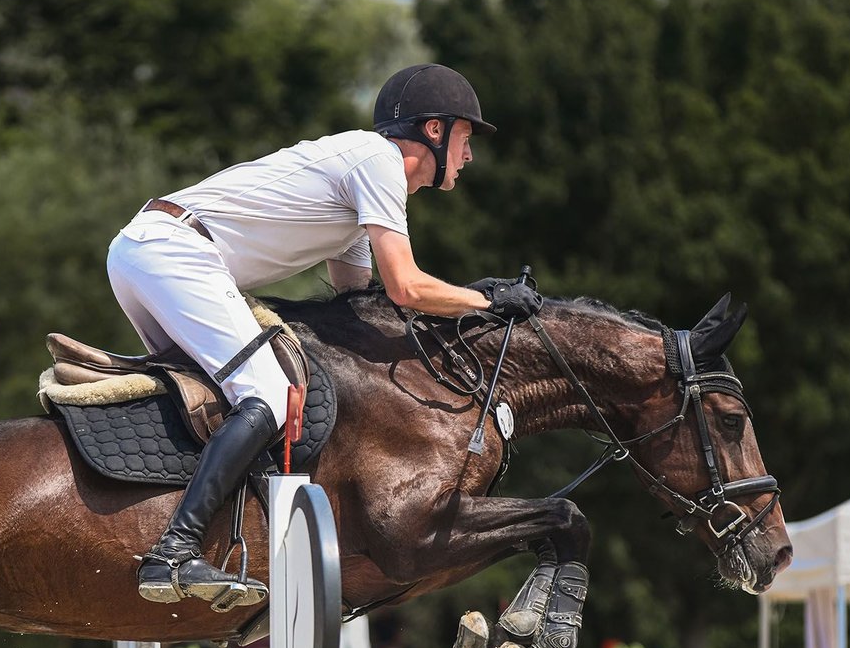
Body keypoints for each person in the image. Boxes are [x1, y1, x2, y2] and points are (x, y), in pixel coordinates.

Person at [105, 63, 543, 605]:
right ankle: (173, 551)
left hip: (148, 250)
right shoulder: (379, 163)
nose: (468, 154)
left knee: (221, 403)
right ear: (435, 130)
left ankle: (218, 543)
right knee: (267, 393)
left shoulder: (363, 195)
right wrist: (486, 300)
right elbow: (405, 288)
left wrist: (466, 301)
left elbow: (358, 305)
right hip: (174, 253)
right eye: (465, 135)